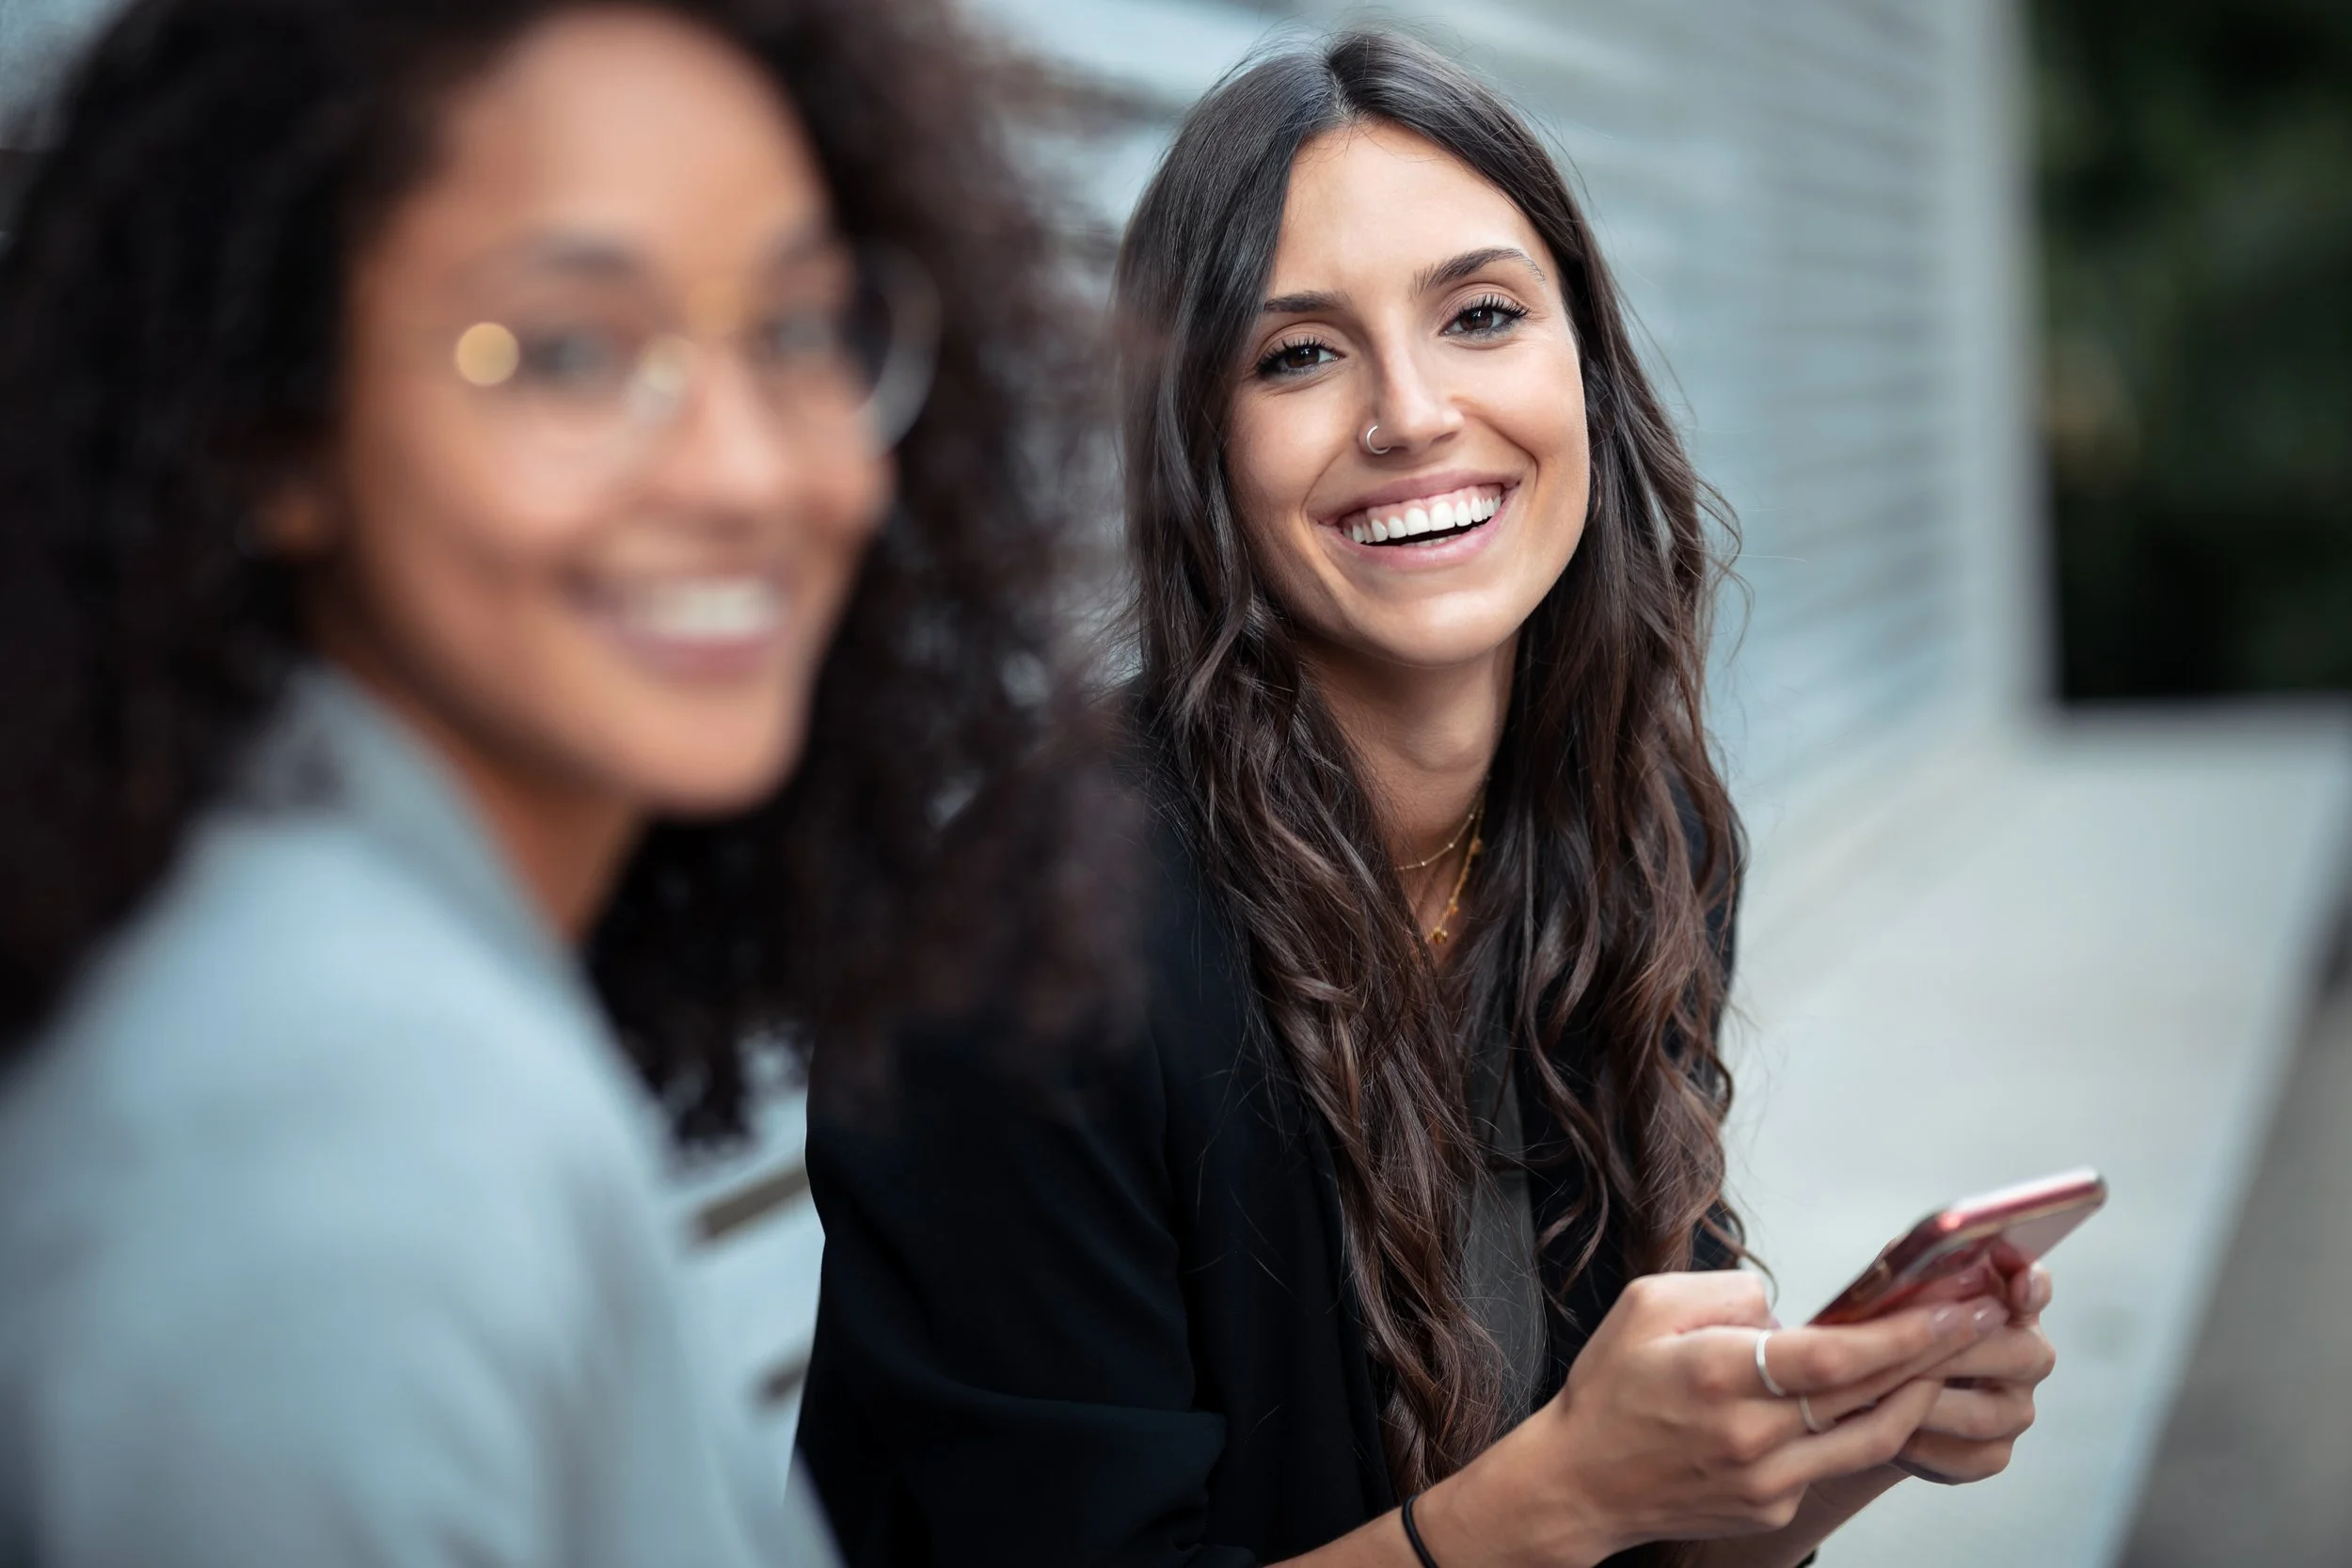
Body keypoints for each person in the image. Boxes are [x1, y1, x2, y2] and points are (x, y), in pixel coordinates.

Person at [797, 31, 2060, 1568]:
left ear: (1584, 368)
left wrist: (1851, 1432)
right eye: (1300, 353)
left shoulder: (1621, 823)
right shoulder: (1021, 948)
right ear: (1198, 444)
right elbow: (1563, 1510)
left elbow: (1639, 1532)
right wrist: (1578, 1489)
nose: (1410, 413)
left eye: (1479, 315)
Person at [0, 0, 1109, 1562]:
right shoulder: (332, 1138)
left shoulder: (361, 968)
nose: (743, 469)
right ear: (267, 424)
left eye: (797, 330)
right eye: (571, 352)